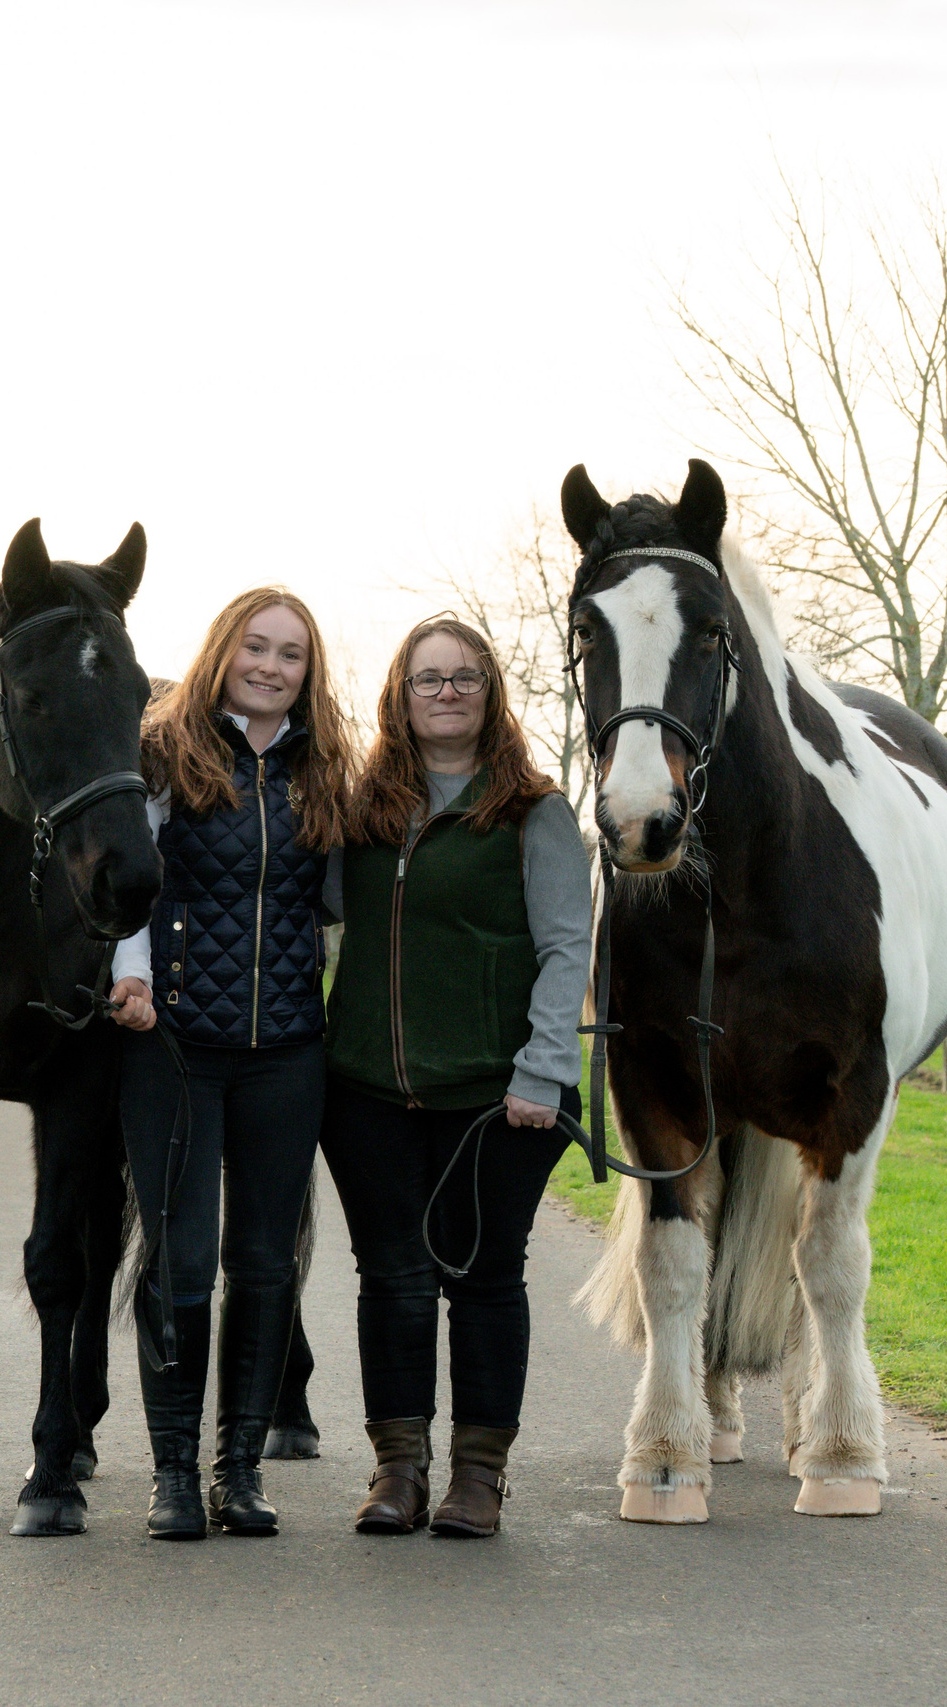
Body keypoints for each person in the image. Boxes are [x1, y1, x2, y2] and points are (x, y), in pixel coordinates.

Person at [319, 615, 593, 1539]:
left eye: (464, 677)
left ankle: (478, 1477)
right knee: (389, 1279)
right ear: (399, 694)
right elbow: (295, 911)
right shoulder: (358, 811)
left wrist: (545, 1070)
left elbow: (566, 950)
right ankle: (397, 1468)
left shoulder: (534, 812)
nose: (446, 691)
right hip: (365, 1093)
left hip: (497, 1100)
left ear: (491, 693)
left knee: (482, 1279)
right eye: (427, 678)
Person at [107, 588, 355, 1540]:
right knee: (179, 1257)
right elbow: (133, 878)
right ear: (224, 650)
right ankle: (173, 1473)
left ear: (308, 671)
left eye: (290, 654)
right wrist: (130, 976)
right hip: (172, 1050)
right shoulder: (165, 750)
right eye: (255, 645)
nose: (269, 664)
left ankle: (239, 1470)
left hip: (287, 1050)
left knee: (265, 1264)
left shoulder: (328, 766)